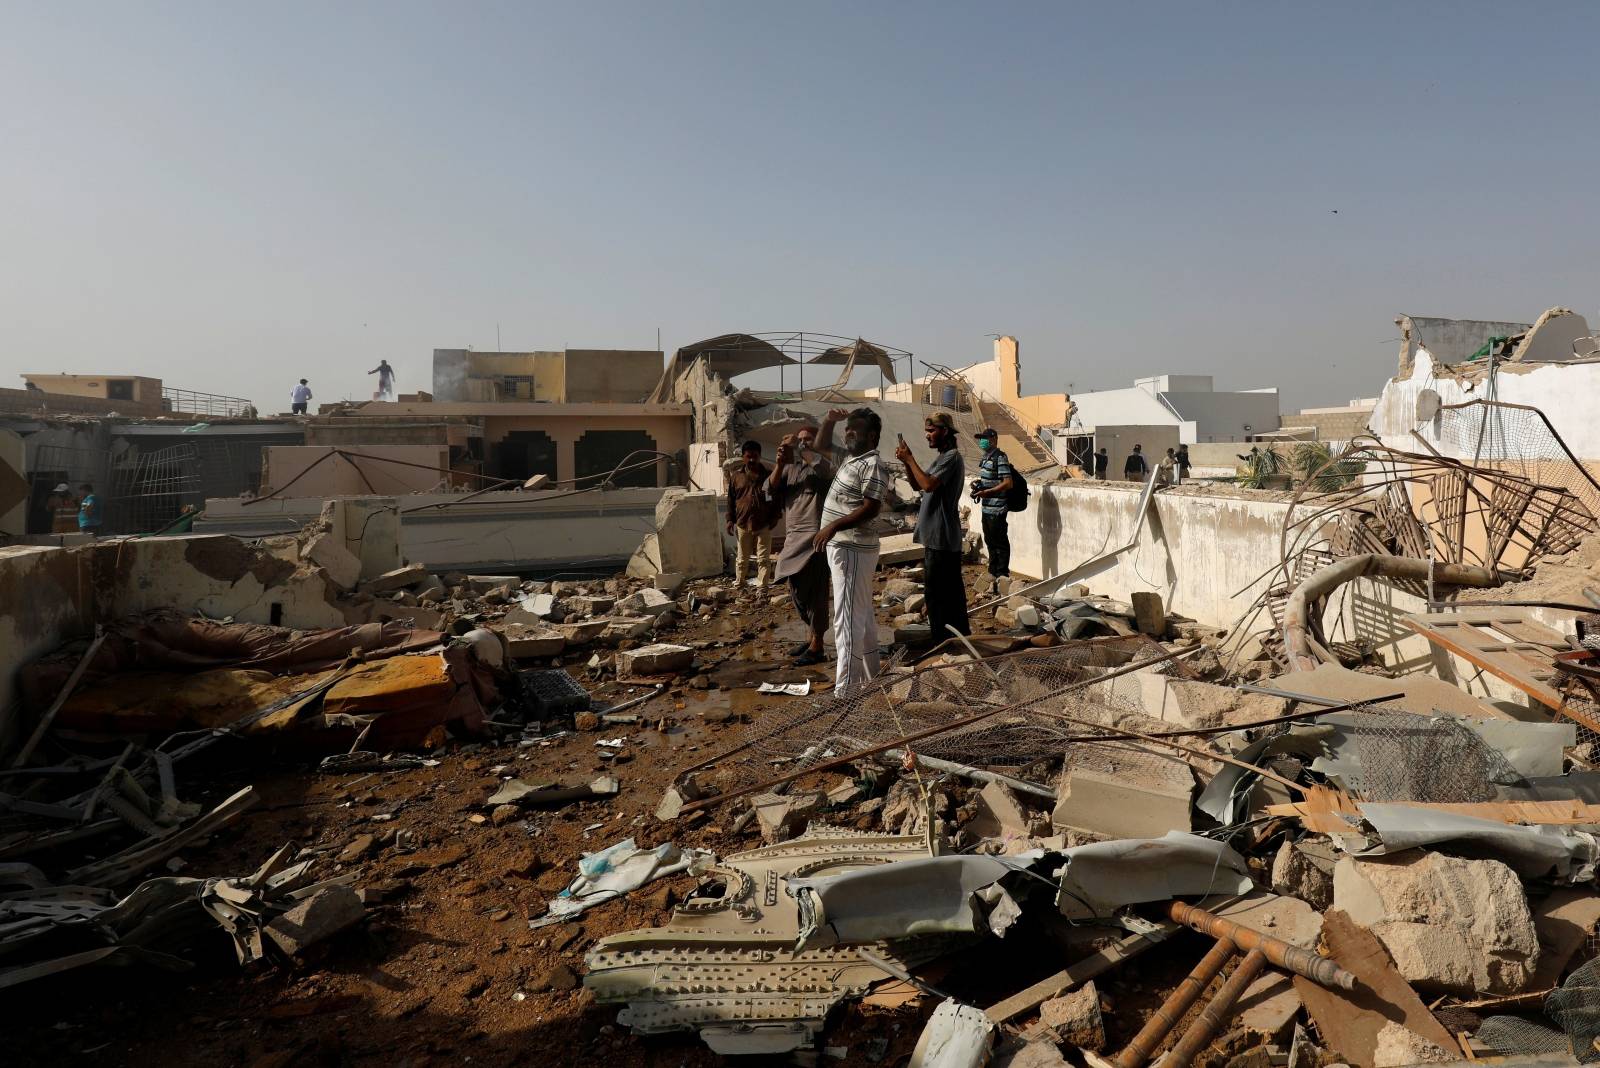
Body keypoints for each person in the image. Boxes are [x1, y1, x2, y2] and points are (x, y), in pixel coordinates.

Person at [815, 408, 890, 693]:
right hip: (846, 548)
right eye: (847, 428)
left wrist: (832, 526)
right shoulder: (850, 459)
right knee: (863, 615)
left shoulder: (872, 464)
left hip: (853, 547)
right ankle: (873, 678)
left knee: (846, 619)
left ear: (871, 435)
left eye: (854, 429)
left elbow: (872, 508)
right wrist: (830, 419)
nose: (848, 433)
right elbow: (820, 445)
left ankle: (845, 691)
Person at [769, 412, 841, 666]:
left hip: (815, 536)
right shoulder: (790, 468)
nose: (803, 443)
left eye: (808, 440)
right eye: (800, 440)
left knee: (817, 592)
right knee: (797, 590)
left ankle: (817, 645)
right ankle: (812, 634)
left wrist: (805, 451)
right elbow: (771, 489)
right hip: (793, 537)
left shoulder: (822, 464)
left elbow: (827, 471)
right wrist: (779, 462)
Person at [896, 412, 968, 641]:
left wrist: (909, 460)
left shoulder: (952, 457)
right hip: (937, 538)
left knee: (939, 596)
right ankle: (952, 640)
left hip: (943, 538)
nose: (928, 436)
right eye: (926, 431)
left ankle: (946, 642)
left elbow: (928, 484)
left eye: (931, 431)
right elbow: (919, 483)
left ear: (944, 431)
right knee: (942, 595)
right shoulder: (942, 457)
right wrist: (907, 462)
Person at [725, 440, 777, 593]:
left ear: (760, 456)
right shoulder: (736, 477)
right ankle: (740, 585)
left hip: (764, 523)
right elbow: (730, 500)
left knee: (763, 559)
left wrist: (775, 517)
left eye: (755, 456)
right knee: (742, 559)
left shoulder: (768, 476)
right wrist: (729, 520)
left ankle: (762, 588)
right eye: (749, 457)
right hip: (742, 522)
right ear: (743, 457)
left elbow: (775, 498)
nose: (752, 460)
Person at [971, 427, 1015, 594]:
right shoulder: (986, 457)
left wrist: (987, 492)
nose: (982, 441)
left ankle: (1002, 574)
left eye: (985, 438)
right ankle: (993, 571)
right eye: (981, 438)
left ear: (994, 439)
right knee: (990, 540)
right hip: (986, 507)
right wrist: (978, 484)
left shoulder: (1000, 457)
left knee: (1000, 542)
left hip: (997, 508)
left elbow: (1007, 483)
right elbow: (990, 479)